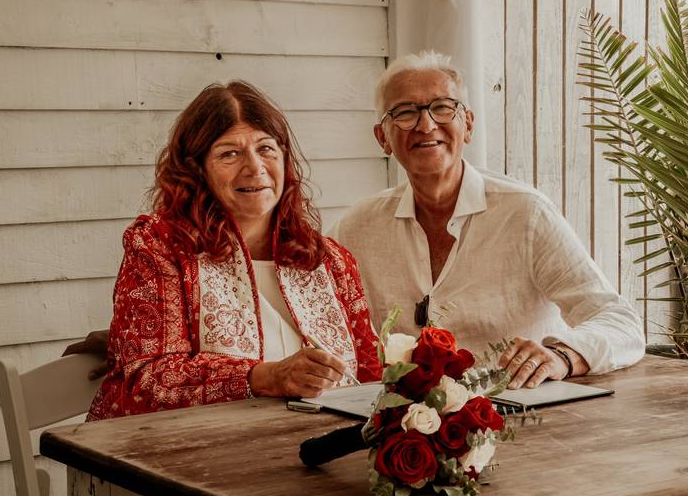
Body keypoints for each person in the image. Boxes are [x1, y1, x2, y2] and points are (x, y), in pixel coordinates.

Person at [329, 51, 644, 389]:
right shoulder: (356, 228)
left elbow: (619, 322)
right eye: (405, 112)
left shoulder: (527, 214)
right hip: (405, 430)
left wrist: (564, 357)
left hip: (528, 419)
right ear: (383, 137)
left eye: (442, 107)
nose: (426, 124)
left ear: (468, 125)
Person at [86, 81, 381, 420]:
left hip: (313, 456)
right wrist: (266, 377)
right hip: (186, 458)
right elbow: (147, 380)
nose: (254, 167)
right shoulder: (161, 247)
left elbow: (371, 375)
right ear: (196, 169)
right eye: (229, 153)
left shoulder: (329, 260)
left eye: (266, 149)